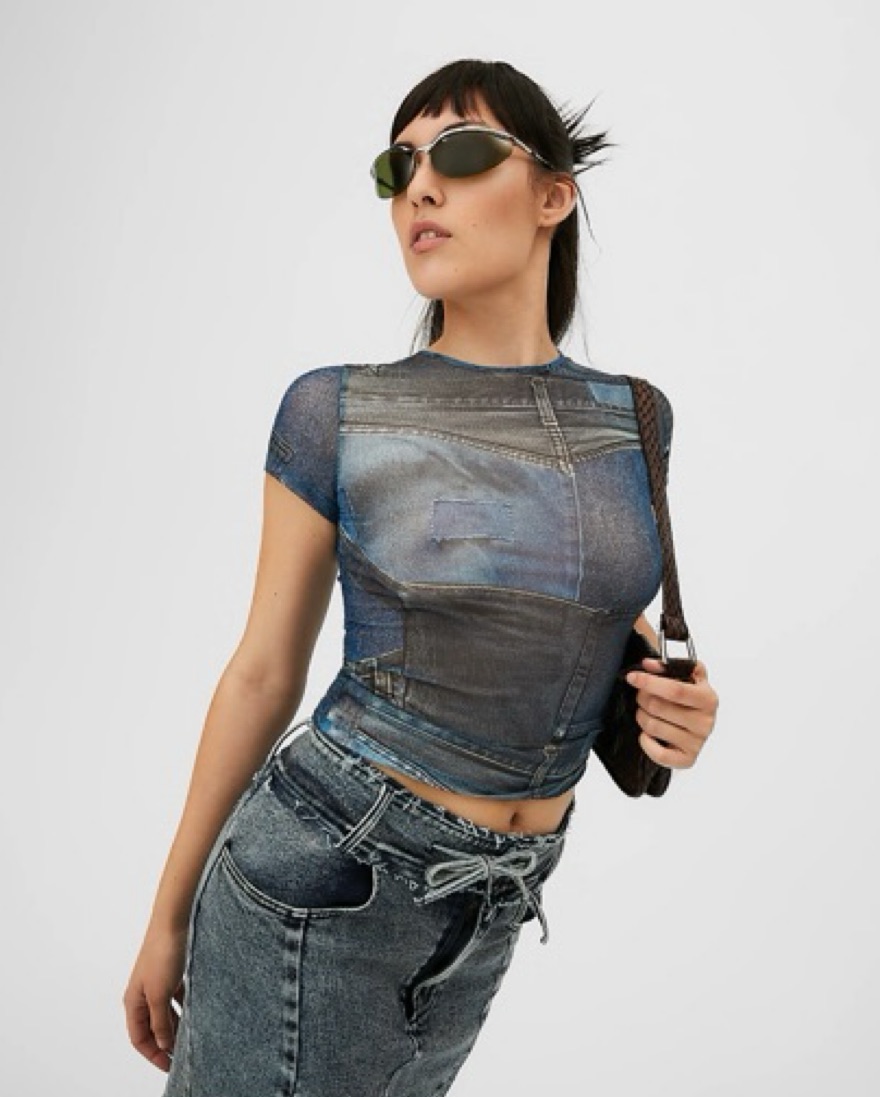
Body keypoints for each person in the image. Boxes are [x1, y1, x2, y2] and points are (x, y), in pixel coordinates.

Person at [123, 57, 719, 1096]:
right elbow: (263, 670)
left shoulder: (636, 416)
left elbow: (580, 627)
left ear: (553, 196)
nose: (421, 188)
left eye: (462, 152)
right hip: (324, 871)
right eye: (397, 167)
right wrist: (167, 914)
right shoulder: (336, 410)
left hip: (493, 905)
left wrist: (684, 707)